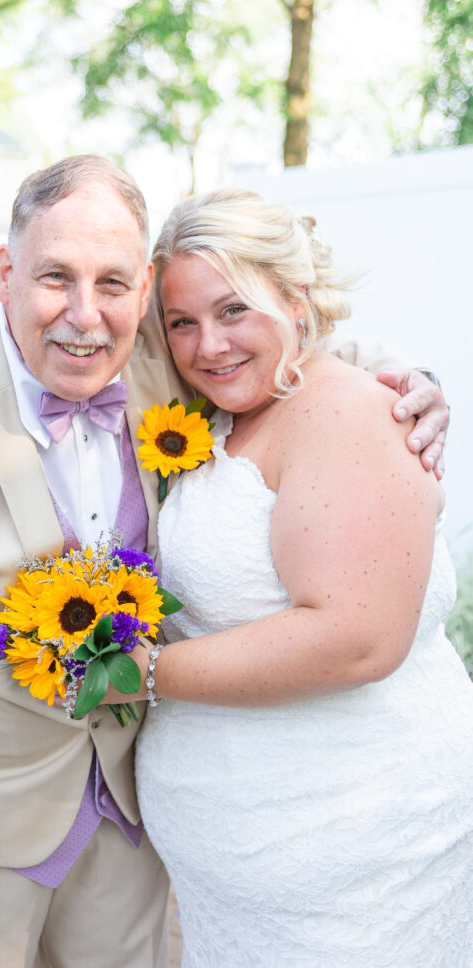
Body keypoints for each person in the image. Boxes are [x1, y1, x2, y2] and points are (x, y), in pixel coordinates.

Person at [0, 157, 450, 968]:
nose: (83, 315)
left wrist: (412, 381)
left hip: (135, 815)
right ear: (4, 272)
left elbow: (282, 337)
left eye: (112, 284)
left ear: (142, 289)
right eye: (53, 277)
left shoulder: (164, 346)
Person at [123, 188, 473, 967]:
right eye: (181, 322)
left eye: (233, 310)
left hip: (360, 858)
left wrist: (137, 672)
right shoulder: (215, 413)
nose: (207, 345)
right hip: (242, 880)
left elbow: (353, 640)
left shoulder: (352, 415)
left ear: (296, 298)